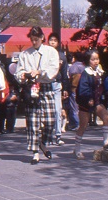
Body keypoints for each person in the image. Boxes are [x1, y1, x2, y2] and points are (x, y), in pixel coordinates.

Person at [15, 26, 59, 165]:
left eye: (36, 39)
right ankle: (35, 152)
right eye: (32, 40)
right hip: (31, 88)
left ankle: (43, 142)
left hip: (45, 87)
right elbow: (18, 72)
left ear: (42, 38)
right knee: (33, 122)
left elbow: (54, 69)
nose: (34, 42)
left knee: (50, 120)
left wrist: (40, 72)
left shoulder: (51, 51)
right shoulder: (24, 54)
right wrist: (22, 75)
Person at [73, 48, 108, 159]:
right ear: (88, 61)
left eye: (97, 59)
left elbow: (103, 87)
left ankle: (106, 142)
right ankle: (77, 149)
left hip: (97, 102)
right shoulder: (86, 74)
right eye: (93, 59)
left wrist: (106, 98)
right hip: (85, 103)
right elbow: (83, 89)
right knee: (83, 125)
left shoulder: (100, 72)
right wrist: (88, 98)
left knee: (106, 117)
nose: (96, 61)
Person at [47, 32, 68, 145]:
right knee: (48, 111)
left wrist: (66, 88)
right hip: (46, 84)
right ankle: (48, 135)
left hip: (57, 84)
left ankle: (58, 135)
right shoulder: (44, 54)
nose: (53, 42)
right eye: (51, 40)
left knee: (57, 110)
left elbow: (64, 73)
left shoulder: (62, 56)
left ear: (58, 42)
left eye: (55, 40)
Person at [65, 51, 84, 133]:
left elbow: (70, 79)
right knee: (81, 107)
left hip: (74, 88)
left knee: (74, 107)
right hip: (83, 89)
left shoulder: (73, 67)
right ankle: (81, 123)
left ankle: (76, 124)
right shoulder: (84, 67)